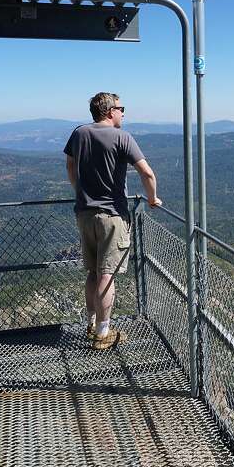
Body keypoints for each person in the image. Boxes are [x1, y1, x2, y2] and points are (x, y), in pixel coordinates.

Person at [64, 92, 161, 350]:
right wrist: (152, 199)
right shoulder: (122, 138)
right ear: (109, 111)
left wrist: (79, 191)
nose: (123, 113)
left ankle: (91, 323)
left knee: (93, 272)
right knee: (107, 274)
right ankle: (103, 333)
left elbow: (70, 166)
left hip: (84, 213)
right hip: (112, 216)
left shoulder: (79, 134)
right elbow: (147, 173)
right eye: (121, 108)